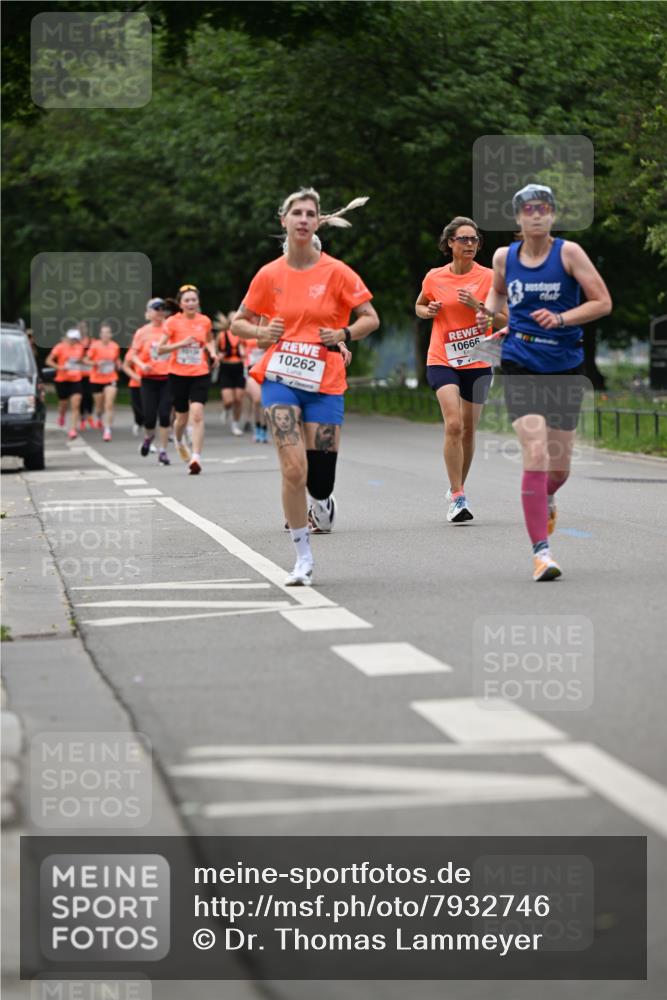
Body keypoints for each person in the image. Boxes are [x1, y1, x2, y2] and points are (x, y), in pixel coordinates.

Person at [232, 187, 379, 586]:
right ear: (284, 220)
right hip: (280, 378)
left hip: (325, 381)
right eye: (296, 212)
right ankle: (302, 556)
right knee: (292, 468)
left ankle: (323, 500)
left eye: (309, 213)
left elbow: (370, 317)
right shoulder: (269, 274)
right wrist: (262, 335)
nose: (302, 218)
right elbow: (238, 323)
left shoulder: (338, 272)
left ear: (317, 222)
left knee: (319, 476)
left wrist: (344, 332)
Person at [480, 183, 612, 581]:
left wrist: (561, 319)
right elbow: (497, 294)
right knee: (534, 452)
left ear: (553, 215)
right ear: (518, 218)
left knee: (558, 470)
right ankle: (541, 553)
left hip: (564, 367)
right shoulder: (504, 257)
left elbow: (602, 302)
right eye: (529, 209)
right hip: (519, 363)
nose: (536, 214)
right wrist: (490, 315)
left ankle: (549, 495)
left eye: (544, 208)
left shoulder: (568, 253)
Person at [415, 216, 506, 523]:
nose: (470, 244)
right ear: (450, 243)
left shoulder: (490, 277)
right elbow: (419, 305)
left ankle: (458, 485)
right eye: (464, 239)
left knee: (468, 430)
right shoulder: (434, 277)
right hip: (443, 357)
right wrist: (428, 311)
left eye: (475, 240)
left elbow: (506, 319)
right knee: (453, 424)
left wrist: (480, 307)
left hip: (479, 358)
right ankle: (457, 496)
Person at [157, 285, 216, 475]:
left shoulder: (204, 321)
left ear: (198, 302)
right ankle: (179, 440)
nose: (191, 303)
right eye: (187, 300)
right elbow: (160, 349)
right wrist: (182, 343)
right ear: (181, 304)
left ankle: (196, 457)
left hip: (200, 372)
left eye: (194, 300)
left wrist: (213, 352)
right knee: (181, 417)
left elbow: (209, 339)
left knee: (197, 413)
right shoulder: (172, 322)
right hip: (178, 374)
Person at [130, 298, 171, 465]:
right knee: (149, 418)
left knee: (164, 415)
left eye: (162, 308)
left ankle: (163, 451)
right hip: (148, 380)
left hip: (168, 378)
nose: (160, 311)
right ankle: (148, 437)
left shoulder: (170, 329)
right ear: (148, 312)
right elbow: (132, 355)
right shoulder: (142, 332)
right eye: (156, 308)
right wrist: (142, 365)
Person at [44, 329, 84, 439]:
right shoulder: (60, 347)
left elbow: (79, 360)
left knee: (76, 404)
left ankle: (72, 429)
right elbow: (48, 361)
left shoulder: (79, 348)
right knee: (63, 404)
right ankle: (61, 415)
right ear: (67, 338)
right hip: (62, 379)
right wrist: (59, 367)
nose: (73, 341)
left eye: (75, 339)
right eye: (71, 339)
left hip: (76, 379)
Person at [85, 322, 121, 441]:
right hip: (96, 379)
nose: (106, 335)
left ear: (111, 334)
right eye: (103, 333)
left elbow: (117, 360)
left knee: (109, 404)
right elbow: (86, 360)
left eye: (108, 333)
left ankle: (107, 430)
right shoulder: (95, 345)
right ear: (100, 335)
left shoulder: (115, 346)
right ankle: (99, 416)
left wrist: (119, 365)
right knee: (99, 406)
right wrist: (95, 363)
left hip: (111, 378)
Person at [215, 310, 246, 436]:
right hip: (226, 368)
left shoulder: (243, 336)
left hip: (239, 368)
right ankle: (226, 409)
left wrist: (244, 353)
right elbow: (215, 350)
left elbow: (247, 351)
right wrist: (218, 355)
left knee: (238, 400)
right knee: (229, 400)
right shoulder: (222, 335)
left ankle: (235, 424)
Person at [77, 320, 96, 430]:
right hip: (78, 374)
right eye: (80, 328)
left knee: (89, 395)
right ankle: (82, 418)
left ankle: (89, 415)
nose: (82, 330)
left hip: (90, 373)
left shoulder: (92, 341)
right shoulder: (75, 342)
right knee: (80, 396)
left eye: (84, 327)